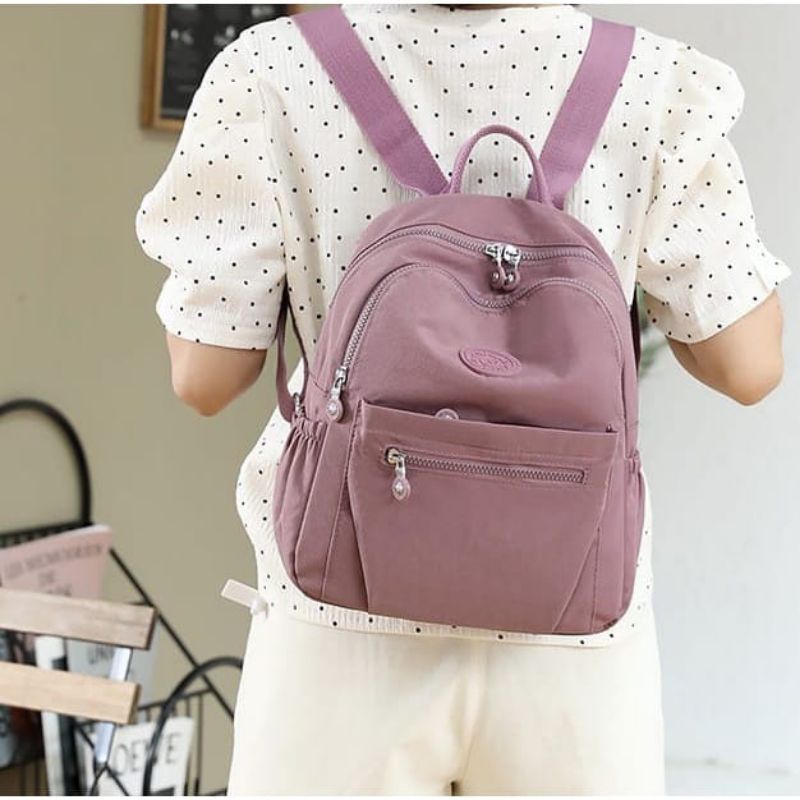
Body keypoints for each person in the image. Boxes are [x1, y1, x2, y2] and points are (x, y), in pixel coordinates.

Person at [135, 4, 789, 794]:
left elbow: (204, 378)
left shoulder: (272, 70)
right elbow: (747, 365)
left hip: (341, 613)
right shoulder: (658, 83)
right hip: (572, 621)